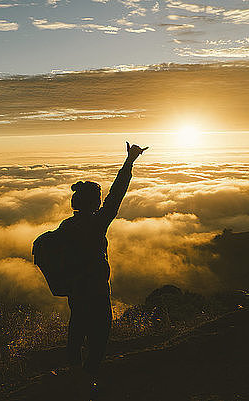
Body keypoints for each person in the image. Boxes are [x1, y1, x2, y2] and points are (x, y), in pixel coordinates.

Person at [59, 141, 147, 397]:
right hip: (96, 290)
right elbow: (117, 193)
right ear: (93, 203)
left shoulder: (66, 226)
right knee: (99, 334)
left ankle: (74, 374)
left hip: (76, 289)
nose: (101, 201)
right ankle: (86, 378)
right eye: (98, 199)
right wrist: (130, 161)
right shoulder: (97, 223)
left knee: (77, 328)